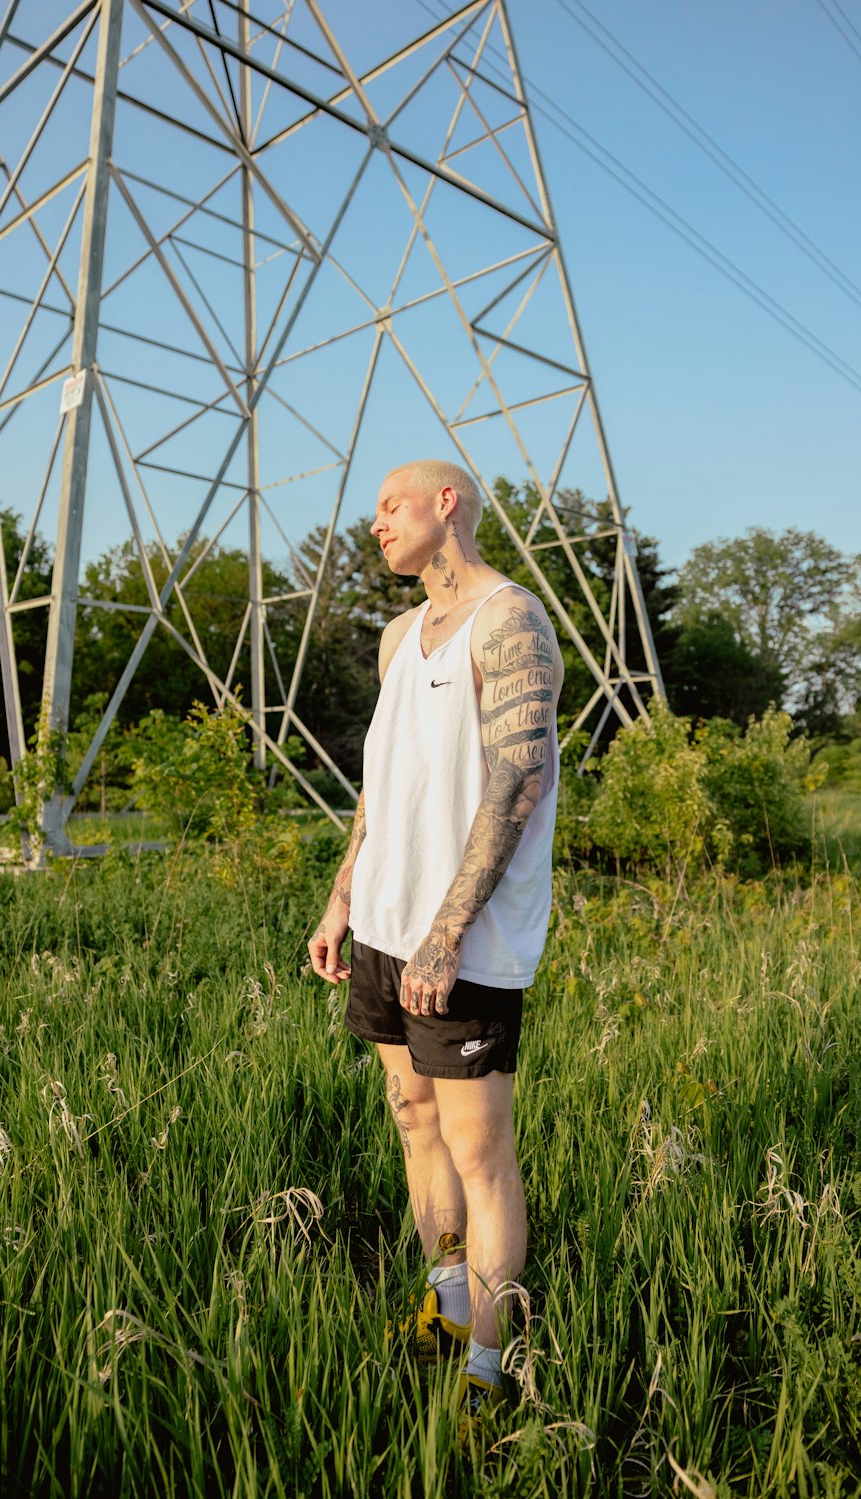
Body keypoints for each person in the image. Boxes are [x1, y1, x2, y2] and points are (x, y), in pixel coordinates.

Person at [308, 458, 561, 1437]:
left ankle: (492, 1363)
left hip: (463, 941)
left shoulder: (512, 620)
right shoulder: (393, 638)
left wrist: (446, 930)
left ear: (443, 504)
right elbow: (383, 785)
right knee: (411, 1113)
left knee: (479, 1149)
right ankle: (446, 1300)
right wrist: (342, 899)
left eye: (388, 507)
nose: (374, 524)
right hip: (381, 927)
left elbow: (517, 785)